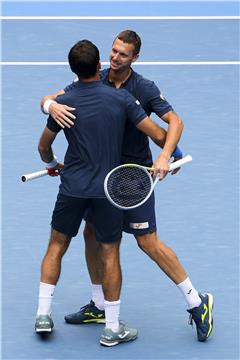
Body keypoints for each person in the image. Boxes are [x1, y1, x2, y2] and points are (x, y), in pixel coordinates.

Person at [41, 30, 214, 342]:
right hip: (100, 179)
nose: (115, 57)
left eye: (123, 54)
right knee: (92, 235)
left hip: (132, 177)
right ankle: (98, 304)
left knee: (147, 242)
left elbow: (174, 123)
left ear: (135, 57)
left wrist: (165, 156)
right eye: (113, 50)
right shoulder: (98, 77)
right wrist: (49, 107)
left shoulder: (144, 88)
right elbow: (52, 98)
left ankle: (197, 302)